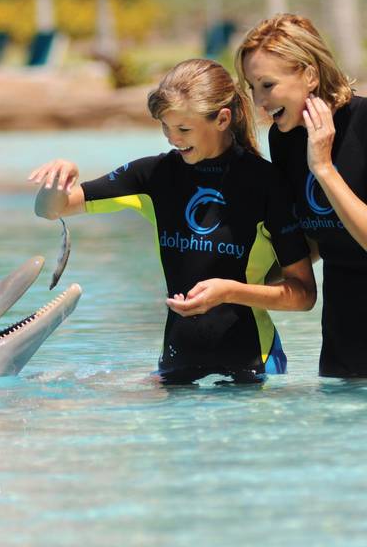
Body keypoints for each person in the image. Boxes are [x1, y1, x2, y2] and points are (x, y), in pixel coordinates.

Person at [29, 59, 316, 384]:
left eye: (183, 129)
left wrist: (229, 292)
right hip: (176, 363)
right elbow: (51, 210)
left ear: (222, 119)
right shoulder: (153, 176)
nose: (172, 138)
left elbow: (303, 295)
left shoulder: (266, 184)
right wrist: (58, 179)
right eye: (165, 127)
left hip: (255, 365)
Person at [236, 13, 367, 378]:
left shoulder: (364, 124)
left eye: (267, 85)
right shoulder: (286, 139)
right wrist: (240, 285)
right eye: (251, 87)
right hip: (343, 332)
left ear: (309, 75)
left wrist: (324, 168)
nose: (259, 101)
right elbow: (312, 239)